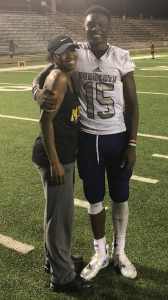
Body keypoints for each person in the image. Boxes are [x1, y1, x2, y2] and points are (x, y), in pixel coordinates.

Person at [32, 5, 139, 281]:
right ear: (84, 28)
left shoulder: (121, 57)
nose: (96, 29)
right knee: (94, 198)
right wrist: (36, 92)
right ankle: (100, 251)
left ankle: (120, 251)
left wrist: (132, 142)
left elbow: (133, 104)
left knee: (120, 195)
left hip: (116, 136)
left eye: (102, 24)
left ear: (110, 27)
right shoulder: (75, 52)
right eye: (91, 25)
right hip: (88, 137)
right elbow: (42, 74)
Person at [32, 35, 93, 293]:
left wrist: (35, 88)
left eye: (72, 50)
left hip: (63, 152)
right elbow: (44, 122)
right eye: (63, 52)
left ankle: (56, 261)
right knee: (61, 219)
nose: (71, 54)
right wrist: (55, 162)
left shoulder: (64, 72)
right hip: (55, 156)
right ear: (54, 56)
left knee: (55, 215)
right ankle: (63, 278)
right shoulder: (58, 76)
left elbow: (36, 78)